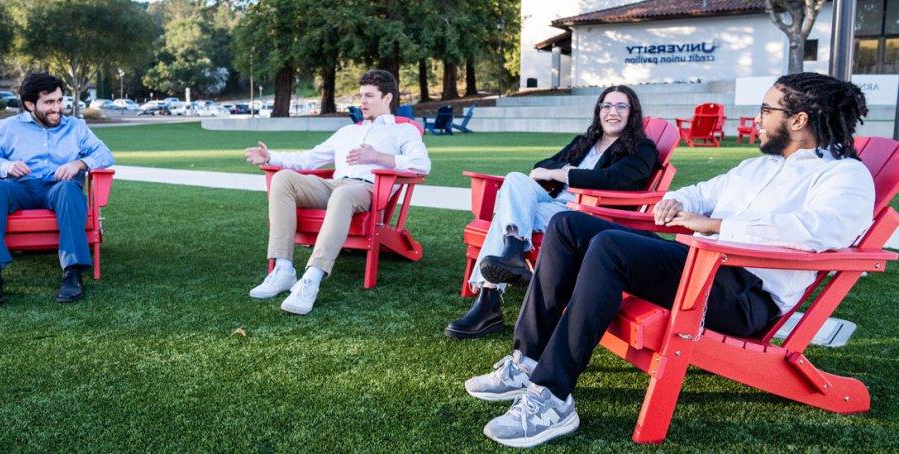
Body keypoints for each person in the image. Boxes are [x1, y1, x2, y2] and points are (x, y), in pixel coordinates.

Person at [464, 72, 874, 448]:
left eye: (767, 110)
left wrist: (715, 225)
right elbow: (701, 191)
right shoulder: (759, 167)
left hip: (745, 295)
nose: (759, 118)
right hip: (701, 267)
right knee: (569, 225)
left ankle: (552, 397)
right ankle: (527, 360)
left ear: (799, 119)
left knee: (609, 246)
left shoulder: (844, 176)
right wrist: (678, 200)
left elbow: (820, 231)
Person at [445, 85, 658, 339]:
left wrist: (562, 174)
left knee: (508, 212)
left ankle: (488, 301)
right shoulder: (585, 141)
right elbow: (540, 166)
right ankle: (513, 250)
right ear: (599, 111)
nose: (613, 112)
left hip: (584, 216)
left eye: (621, 106)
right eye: (607, 106)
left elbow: (614, 179)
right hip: (553, 205)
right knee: (514, 179)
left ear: (632, 113)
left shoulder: (642, 148)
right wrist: (556, 171)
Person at [245, 70, 430, 315]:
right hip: (335, 185)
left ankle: (312, 278)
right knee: (283, 179)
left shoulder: (403, 131)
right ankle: (283, 269)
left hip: (368, 189)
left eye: (369, 96)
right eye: (361, 95)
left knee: (342, 196)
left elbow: (422, 164)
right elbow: (310, 158)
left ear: (388, 98)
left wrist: (376, 157)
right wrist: (271, 157)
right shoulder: (348, 132)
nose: (362, 101)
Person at [0, 72, 114, 306]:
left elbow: (105, 154)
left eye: (60, 101)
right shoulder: (7, 127)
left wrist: (79, 163)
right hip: (20, 187)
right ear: (30, 104)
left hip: (59, 189)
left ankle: (72, 273)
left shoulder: (76, 127)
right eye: (49, 102)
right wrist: (6, 165)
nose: (57, 108)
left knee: (70, 191)